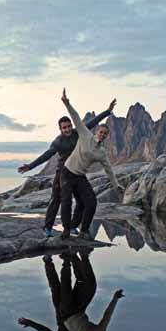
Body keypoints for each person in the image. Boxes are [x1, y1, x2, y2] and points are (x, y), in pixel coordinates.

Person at [18, 102, 115, 238]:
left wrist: (107, 111)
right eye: (64, 128)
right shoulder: (58, 141)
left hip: (77, 171)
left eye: (69, 126)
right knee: (57, 199)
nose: (67, 129)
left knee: (82, 201)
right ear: (60, 129)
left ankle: (73, 226)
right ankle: (48, 227)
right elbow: (47, 154)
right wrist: (31, 166)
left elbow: (93, 123)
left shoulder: (77, 133)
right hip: (62, 172)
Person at [60, 88, 122, 240]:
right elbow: (75, 118)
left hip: (80, 176)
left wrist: (116, 185)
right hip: (67, 172)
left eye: (105, 134)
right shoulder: (85, 134)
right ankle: (67, 229)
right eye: (101, 132)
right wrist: (67, 103)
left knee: (91, 202)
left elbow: (109, 170)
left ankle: (83, 231)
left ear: (107, 136)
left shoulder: (102, 153)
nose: (102, 135)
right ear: (97, 132)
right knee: (66, 201)